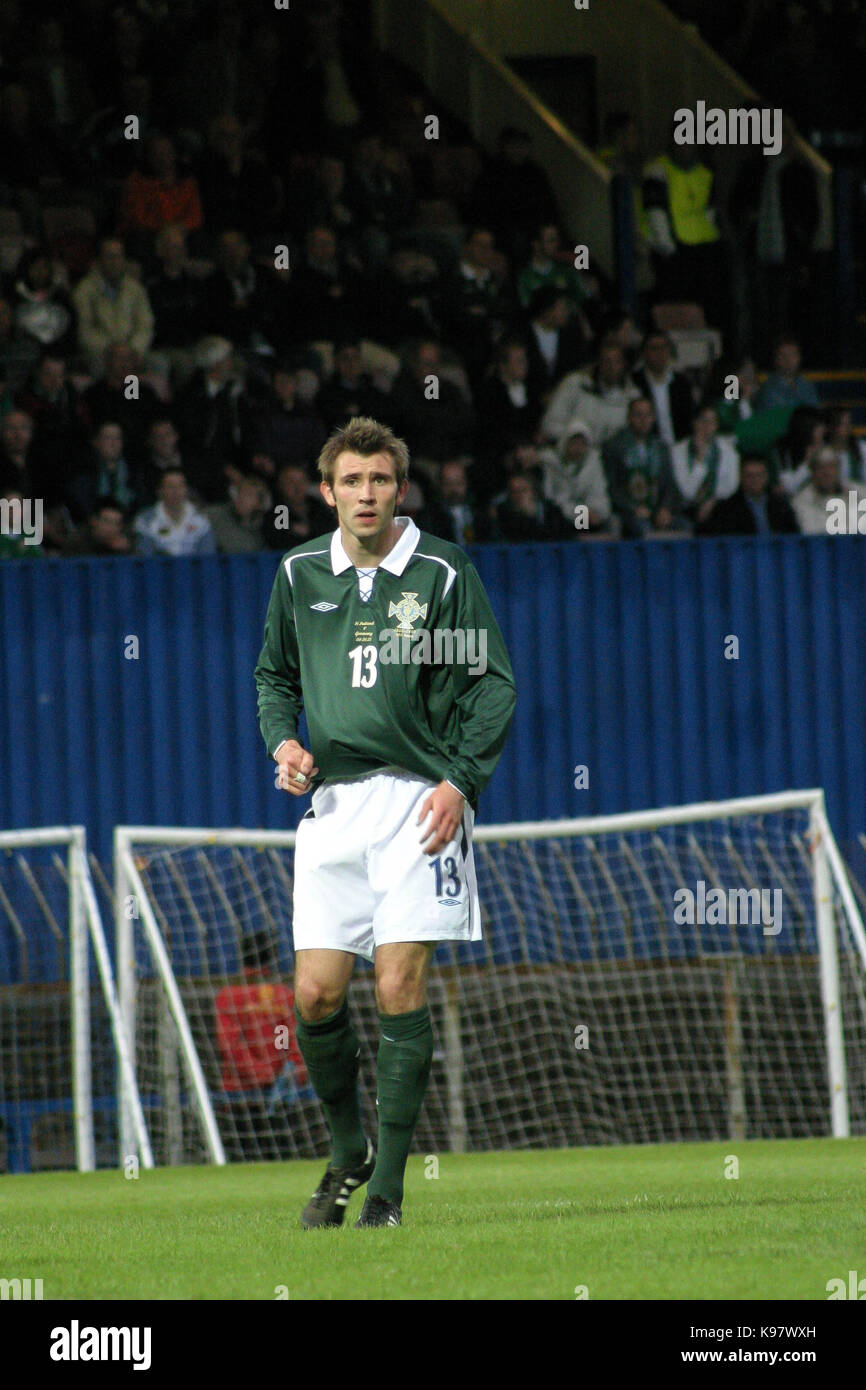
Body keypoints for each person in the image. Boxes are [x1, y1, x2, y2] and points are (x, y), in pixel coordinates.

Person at [254, 415, 516, 1227]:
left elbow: (492, 685)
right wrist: (284, 741)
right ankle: (346, 1151)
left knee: (398, 985)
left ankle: (391, 1193)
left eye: (380, 480)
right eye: (350, 481)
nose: (366, 494)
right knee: (315, 996)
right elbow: (273, 677)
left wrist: (459, 783)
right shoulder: (299, 573)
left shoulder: (440, 570)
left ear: (399, 490)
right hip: (332, 809)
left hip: (416, 805)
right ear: (326, 493)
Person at [214, 929, 308, 1162]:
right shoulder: (282, 995)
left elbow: (231, 1044)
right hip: (276, 1092)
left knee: (241, 1162)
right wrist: (286, 1070)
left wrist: (258, 1071)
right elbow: (285, 1037)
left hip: (240, 1092)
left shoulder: (229, 996)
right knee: (279, 1159)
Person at [603, 396, 682, 539]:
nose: (644, 420)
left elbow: (670, 483)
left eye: (648, 415)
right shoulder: (614, 446)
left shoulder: (661, 447)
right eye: (638, 415)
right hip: (628, 511)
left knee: (685, 527)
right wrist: (633, 508)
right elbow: (611, 487)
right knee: (644, 529)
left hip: (657, 509)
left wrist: (665, 509)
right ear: (629, 417)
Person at [72, 237, 154, 372]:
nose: (115, 262)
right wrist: (112, 350)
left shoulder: (135, 289)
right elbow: (84, 331)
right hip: (101, 353)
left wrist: (134, 349)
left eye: (119, 256)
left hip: (132, 352)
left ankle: (134, 394)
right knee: (99, 367)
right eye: (110, 257)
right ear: (99, 260)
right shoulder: (84, 291)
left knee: (157, 363)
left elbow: (145, 325)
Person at [542, 337, 639, 446]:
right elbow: (550, 425)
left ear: (624, 364)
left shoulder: (632, 395)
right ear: (599, 362)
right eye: (607, 361)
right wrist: (574, 441)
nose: (612, 367)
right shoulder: (575, 384)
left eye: (617, 361)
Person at [670, 405, 739, 531]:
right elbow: (687, 491)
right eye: (703, 420)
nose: (707, 425)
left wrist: (711, 501)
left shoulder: (728, 450)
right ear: (694, 423)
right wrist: (700, 461)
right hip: (688, 507)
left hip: (719, 504)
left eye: (712, 421)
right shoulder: (678, 450)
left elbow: (731, 486)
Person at [699, 453, 800, 536]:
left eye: (759, 475)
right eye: (749, 476)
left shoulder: (781, 506)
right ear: (741, 477)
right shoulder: (727, 508)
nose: (755, 480)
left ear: (767, 476)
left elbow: (793, 534)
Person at [541, 420, 613, 535]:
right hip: (562, 520)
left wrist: (594, 512)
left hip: (591, 518)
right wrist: (582, 515)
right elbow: (555, 499)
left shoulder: (594, 463)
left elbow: (599, 494)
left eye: (582, 444)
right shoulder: (551, 463)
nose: (578, 449)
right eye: (574, 444)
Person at [631, 331, 695, 446]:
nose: (660, 353)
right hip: (648, 448)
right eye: (654, 348)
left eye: (664, 348)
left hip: (680, 446)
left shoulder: (682, 383)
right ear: (644, 352)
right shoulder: (634, 383)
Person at [133, 468, 216, 555]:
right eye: (170, 486)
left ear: (186, 489)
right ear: (160, 491)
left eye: (180, 486)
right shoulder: (145, 520)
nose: (176, 491)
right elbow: (146, 556)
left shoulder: (202, 519)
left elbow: (207, 557)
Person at [791, 447, 866, 535]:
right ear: (812, 471)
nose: (827, 473)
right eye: (821, 468)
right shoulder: (801, 501)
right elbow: (813, 533)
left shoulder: (860, 492)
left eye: (831, 467)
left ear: (838, 469)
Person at [263, 462, 334, 550]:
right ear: (281, 485)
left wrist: (310, 530)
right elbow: (280, 540)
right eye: (291, 482)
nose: (297, 487)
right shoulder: (279, 510)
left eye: (301, 481)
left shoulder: (317, 507)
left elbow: (329, 535)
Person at [490, 468, 573, 543]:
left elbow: (563, 533)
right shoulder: (503, 513)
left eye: (523, 490)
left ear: (533, 492)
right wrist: (527, 516)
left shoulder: (551, 510)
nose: (518, 495)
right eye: (514, 492)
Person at [754, 336, 819, 413]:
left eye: (792, 355)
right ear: (776, 359)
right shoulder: (769, 389)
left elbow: (814, 412)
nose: (788, 360)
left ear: (799, 358)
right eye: (783, 355)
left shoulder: (806, 385)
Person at [206, 475, 269, 553]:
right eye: (240, 492)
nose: (241, 498)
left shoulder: (264, 530)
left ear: (259, 503)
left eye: (249, 495)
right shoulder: (215, 514)